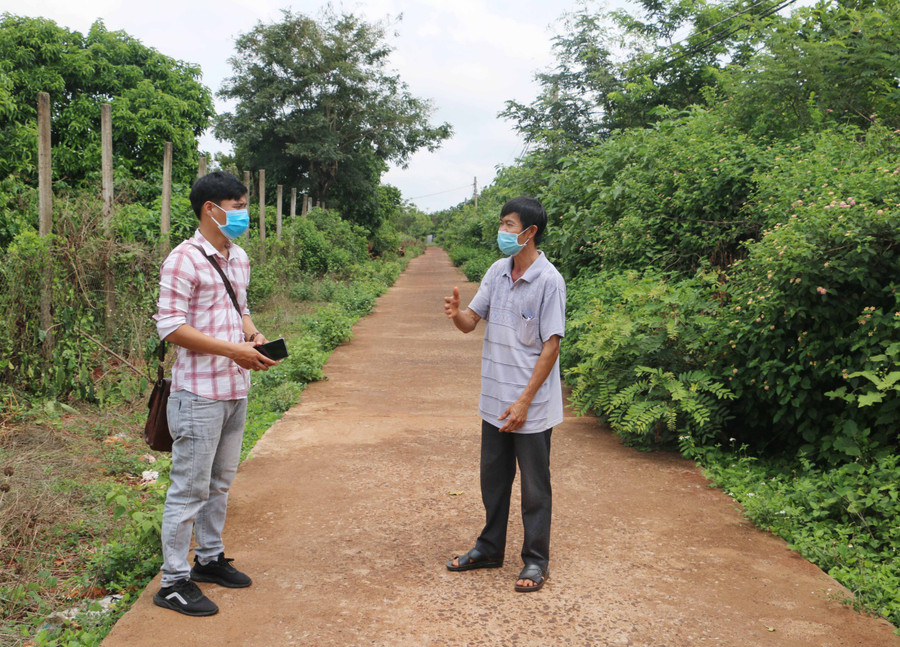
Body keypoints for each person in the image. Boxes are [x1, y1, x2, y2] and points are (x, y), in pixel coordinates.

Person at [152, 171, 277, 616]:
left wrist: (254, 336)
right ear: (212, 209)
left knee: (220, 483)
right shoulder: (183, 260)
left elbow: (238, 309)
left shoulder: (238, 256)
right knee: (189, 488)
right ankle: (173, 581)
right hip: (199, 393)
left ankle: (208, 558)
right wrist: (232, 351)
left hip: (234, 389)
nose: (244, 213)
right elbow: (170, 326)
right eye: (238, 205)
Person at [444, 196, 566, 593]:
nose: (502, 231)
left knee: (534, 488)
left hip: (531, 406)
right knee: (493, 482)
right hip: (495, 402)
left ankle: (535, 561)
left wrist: (525, 401)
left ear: (530, 232)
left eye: (509, 225)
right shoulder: (497, 271)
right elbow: (470, 323)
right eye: (502, 223)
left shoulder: (549, 280)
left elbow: (551, 346)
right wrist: (456, 313)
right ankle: (490, 548)